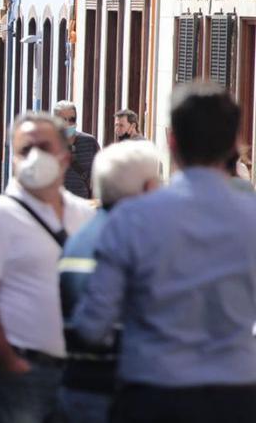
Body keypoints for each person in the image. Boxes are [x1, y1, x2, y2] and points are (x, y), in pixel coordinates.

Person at [72, 84, 256, 422]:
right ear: (233, 144)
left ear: (171, 142)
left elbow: (93, 324)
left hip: (153, 388)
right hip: (236, 391)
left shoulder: (133, 217)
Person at [0, 112, 96, 423]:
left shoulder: (85, 217)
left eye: (45, 148)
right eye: (25, 149)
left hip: (79, 372)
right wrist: (7, 358)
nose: (35, 157)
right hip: (23, 369)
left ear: (65, 156)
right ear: (12, 158)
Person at [55, 140, 159, 423]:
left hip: (74, 386)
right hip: (113, 391)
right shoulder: (130, 241)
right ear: (149, 188)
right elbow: (95, 324)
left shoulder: (79, 238)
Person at [53, 100, 101, 199]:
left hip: (83, 206)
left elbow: (100, 175)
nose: (68, 123)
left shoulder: (89, 142)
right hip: (55, 208)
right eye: (63, 120)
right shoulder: (48, 144)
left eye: (72, 119)